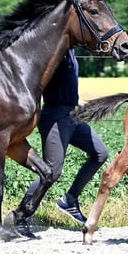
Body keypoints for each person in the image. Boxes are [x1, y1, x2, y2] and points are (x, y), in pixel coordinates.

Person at [15, 47, 109, 239]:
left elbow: (67, 84)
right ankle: (19, 217)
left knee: (100, 153)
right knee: (51, 170)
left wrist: (78, 100)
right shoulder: (53, 50)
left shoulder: (71, 52)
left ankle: (69, 200)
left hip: (73, 114)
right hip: (55, 116)